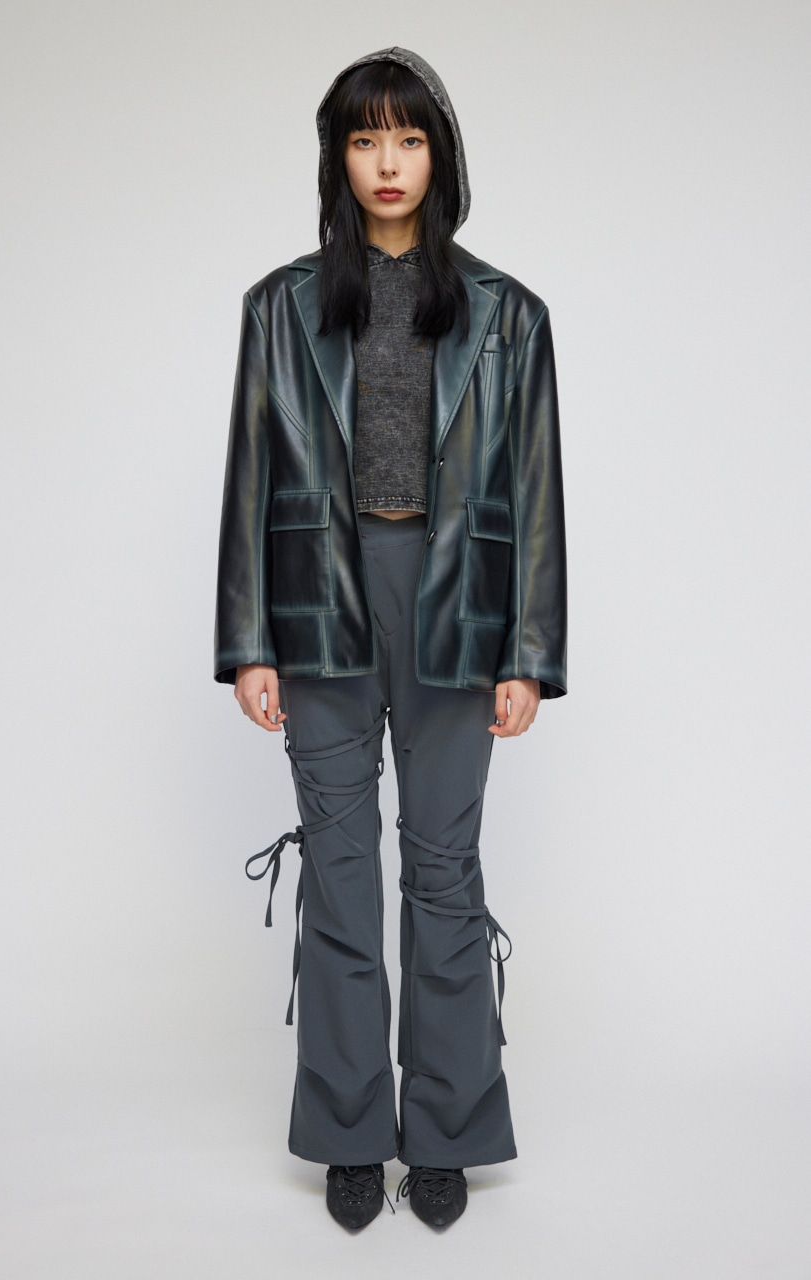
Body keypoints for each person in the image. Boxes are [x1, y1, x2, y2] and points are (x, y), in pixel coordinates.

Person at [214, 46, 567, 1231]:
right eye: (365, 139)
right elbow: (249, 475)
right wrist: (249, 640)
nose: (386, 161)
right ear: (338, 157)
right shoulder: (279, 309)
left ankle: (450, 1124)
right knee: (339, 867)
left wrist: (527, 653)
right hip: (318, 593)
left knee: (443, 868)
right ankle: (350, 1128)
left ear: (438, 156)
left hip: (457, 598)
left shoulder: (510, 316)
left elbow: (534, 488)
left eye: (407, 138)